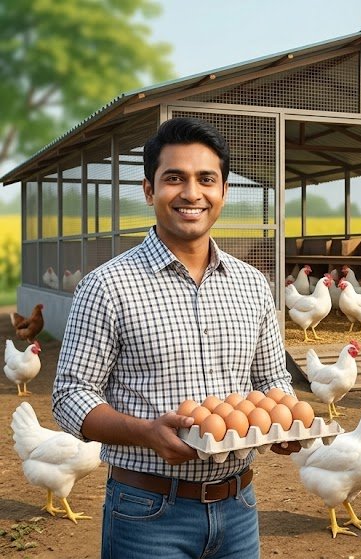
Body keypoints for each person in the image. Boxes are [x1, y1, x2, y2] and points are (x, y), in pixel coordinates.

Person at [52, 117, 297, 558]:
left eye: (206, 179)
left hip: (239, 507)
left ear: (223, 192)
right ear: (149, 191)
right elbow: (70, 396)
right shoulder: (108, 285)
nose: (191, 193)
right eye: (174, 179)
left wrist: (283, 419)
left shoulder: (252, 284)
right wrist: (146, 433)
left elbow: (272, 378)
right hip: (148, 512)